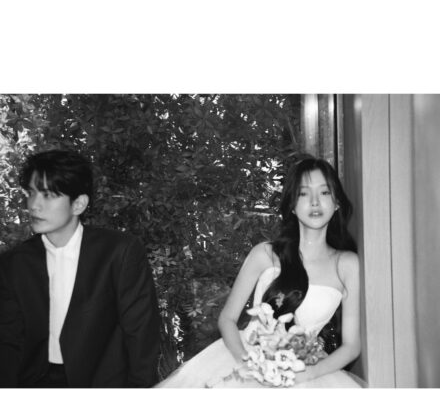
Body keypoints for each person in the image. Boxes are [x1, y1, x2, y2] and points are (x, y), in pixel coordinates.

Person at [157, 155, 364, 388]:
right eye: (304, 194)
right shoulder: (264, 254)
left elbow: (351, 346)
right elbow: (227, 319)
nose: (315, 202)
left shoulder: (347, 265)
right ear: (292, 205)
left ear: (337, 202)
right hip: (246, 364)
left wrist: (306, 375)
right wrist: (250, 364)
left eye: (324, 192)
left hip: (307, 374)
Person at [0, 150, 161, 388]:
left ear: (78, 204)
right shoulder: (14, 263)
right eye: (31, 193)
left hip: (103, 386)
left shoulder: (119, 252)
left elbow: (141, 334)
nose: (34, 205)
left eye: (48, 195)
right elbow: (9, 342)